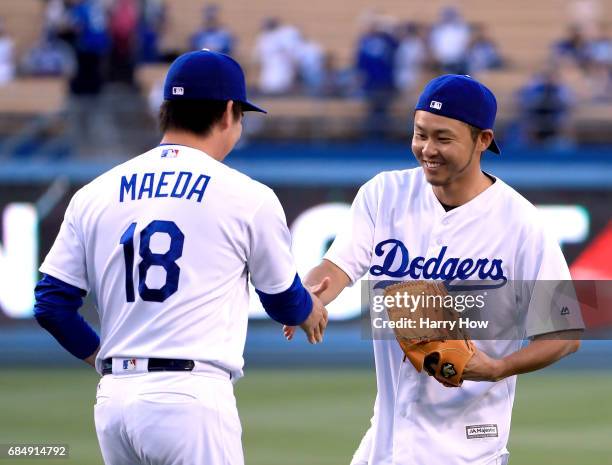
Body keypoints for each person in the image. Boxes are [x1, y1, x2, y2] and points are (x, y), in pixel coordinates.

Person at [34, 50, 328, 465]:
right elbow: (281, 298)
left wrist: (108, 361)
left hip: (114, 402)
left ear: (167, 110)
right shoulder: (247, 196)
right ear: (228, 112)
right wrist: (308, 309)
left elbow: (51, 305)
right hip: (190, 399)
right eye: (241, 115)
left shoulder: (95, 192)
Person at [285, 74, 582, 465]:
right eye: (419, 134)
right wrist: (308, 297)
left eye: (443, 138)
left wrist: (497, 369)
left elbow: (566, 333)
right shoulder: (384, 193)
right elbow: (336, 267)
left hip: (467, 450)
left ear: (483, 140)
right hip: (385, 443)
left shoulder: (522, 222)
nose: (427, 149)